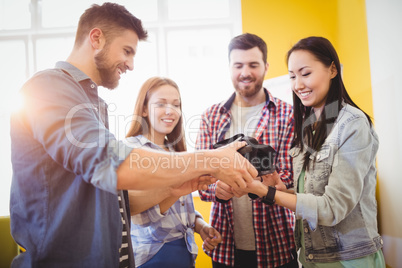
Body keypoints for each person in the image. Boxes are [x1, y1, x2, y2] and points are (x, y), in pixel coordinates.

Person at [9, 3, 257, 267]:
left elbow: (110, 199)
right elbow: (112, 163)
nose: (130, 64)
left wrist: (173, 189)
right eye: (127, 51)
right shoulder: (49, 88)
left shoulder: (94, 105)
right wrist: (212, 159)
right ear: (96, 38)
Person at [245, 36, 385, 267]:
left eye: (305, 73)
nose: (298, 84)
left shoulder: (353, 124)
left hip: (349, 258)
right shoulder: (309, 126)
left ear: (332, 69)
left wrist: (267, 193)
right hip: (311, 256)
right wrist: (284, 191)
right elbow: (316, 192)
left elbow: (332, 207)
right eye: (292, 76)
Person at [196, 33, 297, 268]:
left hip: (278, 245)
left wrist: (261, 184)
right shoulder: (211, 117)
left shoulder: (288, 114)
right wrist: (217, 188)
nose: (245, 72)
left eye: (253, 64)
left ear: (266, 67)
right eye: (238, 65)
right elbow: (200, 179)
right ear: (229, 68)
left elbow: (292, 177)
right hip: (225, 245)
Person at [123, 76, 222, 268]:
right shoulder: (131, 149)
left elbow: (183, 208)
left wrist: (201, 226)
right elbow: (136, 214)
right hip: (152, 258)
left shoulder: (176, 151)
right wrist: (175, 188)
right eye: (161, 104)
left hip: (184, 254)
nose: (170, 111)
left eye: (176, 105)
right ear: (143, 109)